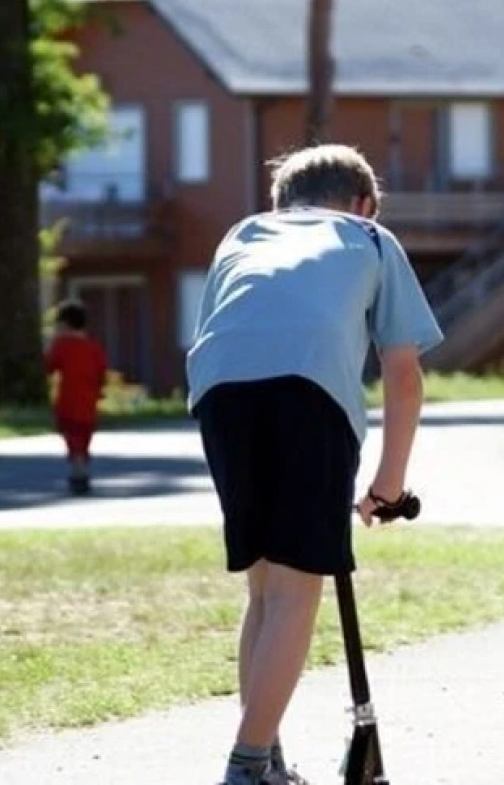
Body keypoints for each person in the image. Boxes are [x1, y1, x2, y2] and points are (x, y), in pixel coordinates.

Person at [187, 143, 442, 785]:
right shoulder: (370, 237)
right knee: (299, 588)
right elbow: (403, 373)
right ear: (363, 204)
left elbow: (225, 326)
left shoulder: (243, 232)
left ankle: (264, 755)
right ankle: (246, 767)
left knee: (266, 585)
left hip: (219, 391)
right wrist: (389, 483)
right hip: (306, 390)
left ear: (284, 204)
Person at [44, 299, 108, 495]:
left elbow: (49, 366)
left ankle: (78, 472)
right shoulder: (94, 346)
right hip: (89, 402)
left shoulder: (62, 345)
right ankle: (81, 471)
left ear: (64, 323)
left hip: (68, 402)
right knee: (84, 437)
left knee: (73, 439)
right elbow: (101, 374)